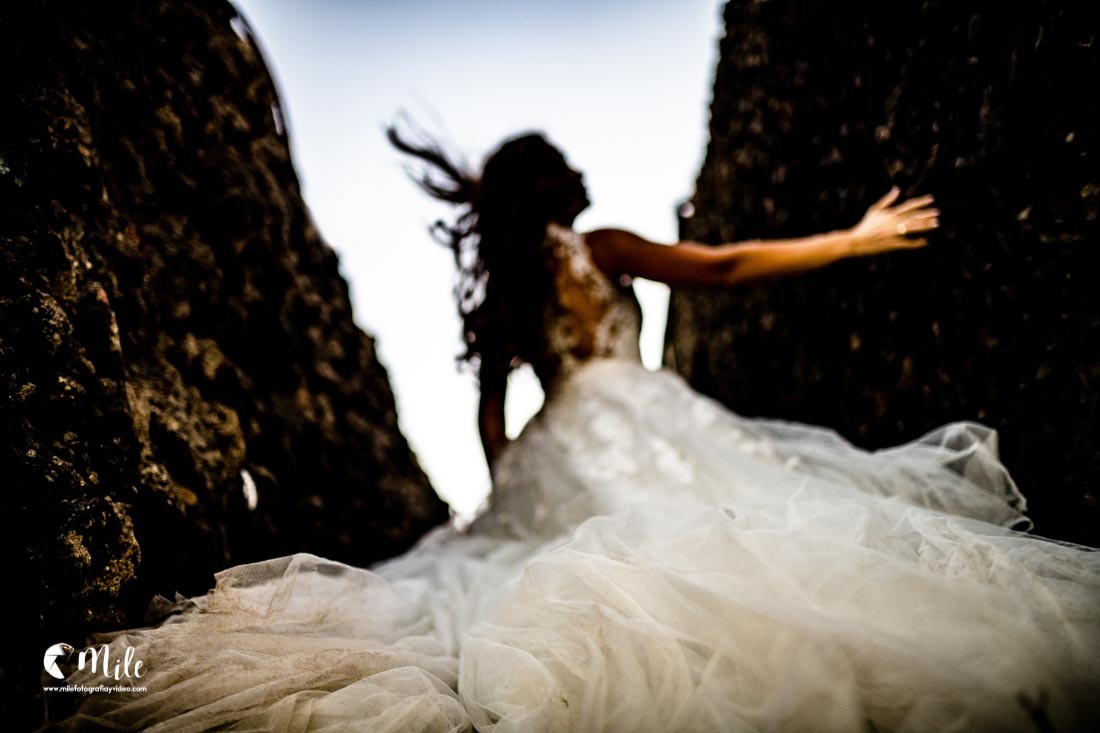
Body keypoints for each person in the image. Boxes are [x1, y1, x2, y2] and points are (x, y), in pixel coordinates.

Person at [50, 129, 1099, 732]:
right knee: (726, 531)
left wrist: (507, 488)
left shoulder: (508, 292)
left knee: (555, 564)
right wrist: (853, 238)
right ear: (555, 184)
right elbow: (724, 267)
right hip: (632, 408)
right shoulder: (596, 244)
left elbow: (488, 416)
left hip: (563, 433)